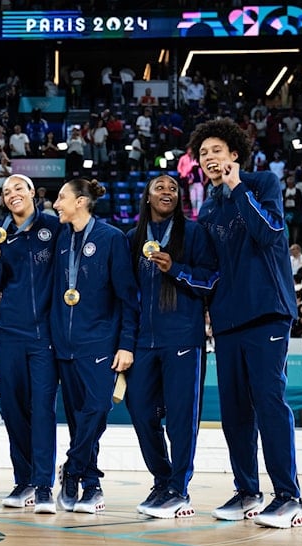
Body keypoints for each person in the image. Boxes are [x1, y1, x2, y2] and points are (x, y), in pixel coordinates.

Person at [188, 117, 302, 529]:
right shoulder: (207, 207)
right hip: (227, 320)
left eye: (216, 150)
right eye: (203, 153)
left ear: (234, 154)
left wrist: (238, 186)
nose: (209, 158)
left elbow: (269, 232)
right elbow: (209, 267)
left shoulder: (261, 185)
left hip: (267, 312)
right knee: (236, 412)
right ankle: (247, 491)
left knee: (269, 403)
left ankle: (289, 496)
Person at [126, 175, 218, 519]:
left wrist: (175, 269)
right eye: (159, 187)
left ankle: (179, 489)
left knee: (180, 418)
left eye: (173, 189)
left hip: (182, 338)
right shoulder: (131, 239)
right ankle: (162, 478)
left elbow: (211, 279)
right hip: (142, 341)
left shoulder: (193, 234)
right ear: (147, 197)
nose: (167, 192)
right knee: (141, 413)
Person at [50, 178, 138, 513]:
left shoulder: (111, 238)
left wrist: (126, 343)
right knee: (77, 417)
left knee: (97, 409)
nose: (56, 204)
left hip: (100, 342)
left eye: (62, 198)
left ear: (81, 201)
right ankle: (90, 483)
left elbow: (128, 297)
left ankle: (72, 467)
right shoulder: (60, 239)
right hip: (64, 345)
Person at [0, 174, 61, 514]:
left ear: (33, 193)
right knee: (13, 409)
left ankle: (43, 485)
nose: (12, 195)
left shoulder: (54, 228)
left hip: (44, 334)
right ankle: (23, 480)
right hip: (9, 333)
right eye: (6, 191)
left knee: (42, 409)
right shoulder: (0, 235)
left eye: (18, 188)